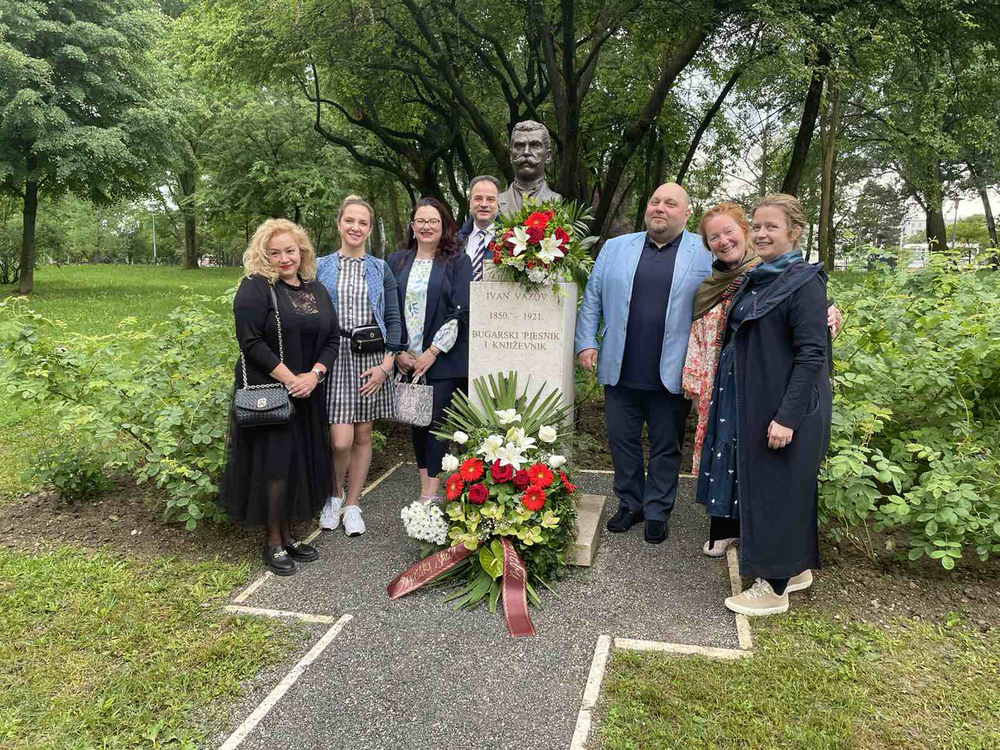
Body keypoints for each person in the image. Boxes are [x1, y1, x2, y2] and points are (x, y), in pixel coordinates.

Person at [695, 194, 832, 616]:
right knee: (780, 489)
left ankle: (772, 589)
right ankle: (795, 570)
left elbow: (812, 354)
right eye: (757, 226)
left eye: (771, 226)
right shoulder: (761, 278)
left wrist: (787, 418)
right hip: (757, 400)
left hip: (785, 407)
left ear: (794, 232)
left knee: (778, 493)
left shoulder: (803, 282)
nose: (761, 233)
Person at [575, 183, 711, 544]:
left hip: (672, 371)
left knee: (667, 445)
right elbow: (593, 297)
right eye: (655, 201)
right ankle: (631, 503)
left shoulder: (704, 251)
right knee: (622, 441)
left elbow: (740, 277)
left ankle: (657, 511)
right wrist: (586, 342)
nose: (660, 208)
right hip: (621, 367)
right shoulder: (616, 248)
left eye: (670, 203)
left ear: (686, 214)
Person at [221, 218, 339, 576]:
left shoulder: (315, 289)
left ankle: (288, 536)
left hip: (308, 391)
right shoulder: (255, 287)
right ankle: (273, 541)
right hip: (271, 392)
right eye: (275, 253)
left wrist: (314, 375)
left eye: (290, 251)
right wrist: (291, 380)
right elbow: (250, 342)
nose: (285, 258)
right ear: (263, 255)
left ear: (301, 251)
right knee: (275, 467)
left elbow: (332, 338)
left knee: (297, 464)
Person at [315, 195, 405, 537]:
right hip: (334, 356)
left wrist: (386, 365)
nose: (355, 227)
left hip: (371, 358)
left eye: (362, 222)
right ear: (339, 224)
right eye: (349, 220)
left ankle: (353, 504)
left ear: (369, 229)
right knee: (340, 440)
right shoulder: (319, 266)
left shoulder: (380, 269)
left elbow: (393, 319)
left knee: (363, 434)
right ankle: (334, 496)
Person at [389, 198, 473, 502]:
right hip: (406, 360)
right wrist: (399, 351)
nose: (426, 227)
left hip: (442, 359)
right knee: (416, 420)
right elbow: (389, 308)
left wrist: (433, 352)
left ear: (443, 226)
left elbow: (460, 311)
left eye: (433, 221)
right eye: (420, 221)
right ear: (412, 226)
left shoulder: (458, 262)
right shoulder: (396, 261)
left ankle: (431, 493)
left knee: (436, 422)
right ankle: (425, 485)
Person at [496, 120, 562, 215]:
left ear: (548, 156)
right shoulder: (497, 201)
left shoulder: (555, 201)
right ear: (511, 155)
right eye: (519, 146)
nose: (526, 152)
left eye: (535, 146)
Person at [462, 175, 501, 281]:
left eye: (490, 199)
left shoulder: (511, 240)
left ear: (498, 203)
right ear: (470, 203)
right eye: (478, 198)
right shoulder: (455, 241)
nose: (484, 204)